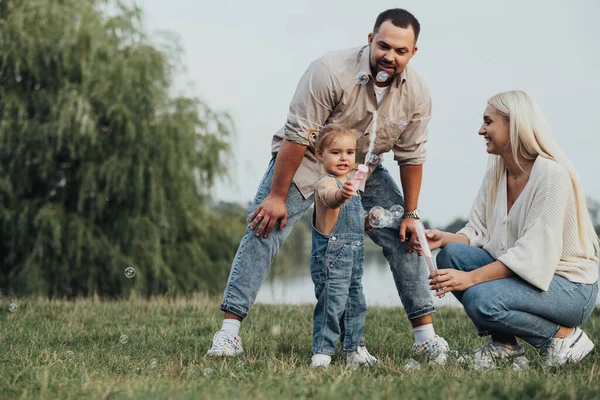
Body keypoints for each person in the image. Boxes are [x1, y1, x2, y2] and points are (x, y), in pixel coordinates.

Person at [207, 8, 449, 362]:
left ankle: (425, 337)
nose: (390, 56)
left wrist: (411, 213)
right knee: (265, 226)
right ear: (370, 40)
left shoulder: (418, 93)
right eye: (384, 46)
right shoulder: (329, 71)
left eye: (400, 50)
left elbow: (411, 155)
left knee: (405, 234)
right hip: (308, 158)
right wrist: (277, 196)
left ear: (413, 53)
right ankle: (228, 334)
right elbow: (297, 134)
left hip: (364, 166)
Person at [416, 90, 599, 369]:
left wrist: (471, 279)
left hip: (570, 287)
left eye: (488, 122)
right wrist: (445, 238)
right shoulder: (497, 171)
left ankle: (565, 337)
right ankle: (505, 346)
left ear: (515, 125)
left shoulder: (551, 176)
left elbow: (532, 254)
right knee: (451, 254)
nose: (481, 130)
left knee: (480, 298)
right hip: (532, 276)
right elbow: (478, 229)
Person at [308, 124, 376, 368]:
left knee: (356, 304)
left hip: (354, 257)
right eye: (336, 152)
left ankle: (354, 348)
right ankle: (322, 351)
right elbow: (330, 199)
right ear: (320, 155)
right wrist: (341, 195)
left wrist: (370, 220)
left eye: (349, 152)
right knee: (332, 303)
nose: (344, 158)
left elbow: (355, 223)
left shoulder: (352, 186)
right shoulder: (326, 183)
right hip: (331, 257)